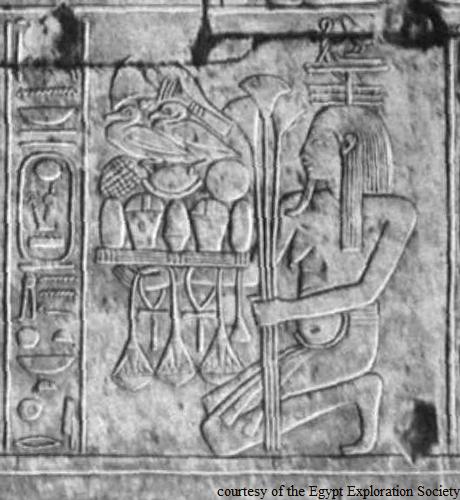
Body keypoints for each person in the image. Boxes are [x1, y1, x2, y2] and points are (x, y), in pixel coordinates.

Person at [201, 105, 417, 456]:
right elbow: (256, 273)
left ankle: (355, 389)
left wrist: (285, 310)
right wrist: (192, 271)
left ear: (347, 146)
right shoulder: (295, 207)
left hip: (352, 343)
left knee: (223, 439)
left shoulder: (395, 213)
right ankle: (358, 390)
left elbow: (366, 292)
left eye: (317, 142)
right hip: (302, 344)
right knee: (213, 424)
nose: (303, 153)